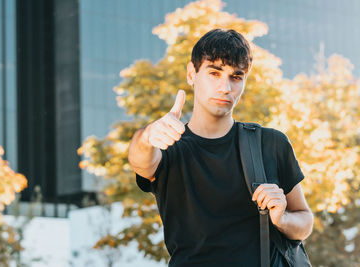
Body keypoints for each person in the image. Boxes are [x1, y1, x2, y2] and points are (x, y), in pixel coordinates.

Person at [127, 29, 313, 266]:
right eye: (214, 73)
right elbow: (140, 161)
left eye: (236, 77)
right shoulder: (167, 145)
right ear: (191, 74)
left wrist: (282, 218)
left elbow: (304, 222)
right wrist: (146, 137)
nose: (225, 87)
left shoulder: (271, 143)